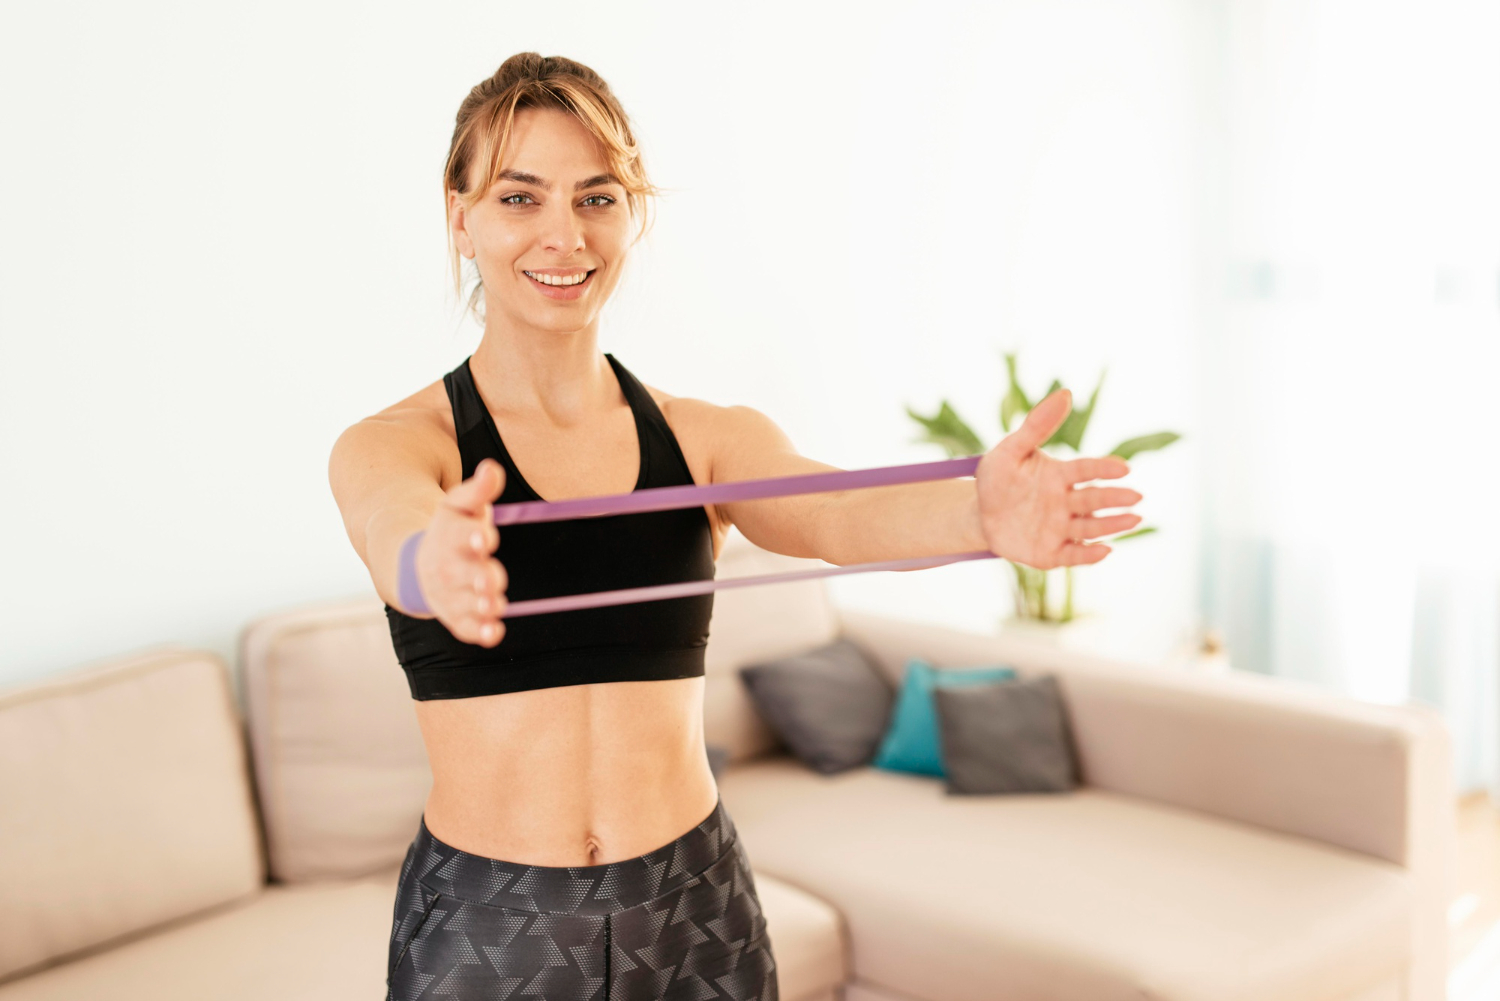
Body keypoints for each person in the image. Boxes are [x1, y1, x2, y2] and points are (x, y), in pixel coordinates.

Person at [327, 52, 1142, 1001]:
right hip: (488, 923)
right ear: (459, 215)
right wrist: (437, 565)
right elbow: (397, 529)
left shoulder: (705, 437)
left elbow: (835, 511)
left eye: (597, 197)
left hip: (695, 900)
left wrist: (978, 512)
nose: (564, 234)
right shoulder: (393, 445)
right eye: (520, 197)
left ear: (632, 214)